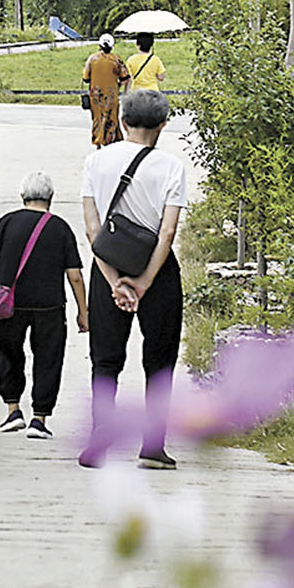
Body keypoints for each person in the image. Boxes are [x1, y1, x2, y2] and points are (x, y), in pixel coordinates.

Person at [79, 89, 187, 469]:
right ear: (163, 125)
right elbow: (167, 233)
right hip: (157, 273)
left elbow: (93, 231)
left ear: (122, 122)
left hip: (106, 267)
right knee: (159, 360)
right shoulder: (171, 167)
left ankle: (100, 437)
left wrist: (114, 283)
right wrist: (143, 283)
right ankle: (153, 446)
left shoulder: (96, 162)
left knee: (105, 360)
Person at [0, 171, 88, 439]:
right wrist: (83, 312)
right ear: (51, 198)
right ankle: (39, 419)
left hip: (8, 306)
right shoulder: (60, 228)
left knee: (8, 353)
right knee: (48, 359)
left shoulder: (7, 222)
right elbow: (74, 275)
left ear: (23, 196)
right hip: (49, 307)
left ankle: (13, 410)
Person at [82, 33, 129, 147]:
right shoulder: (117, 60)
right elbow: (125, 78)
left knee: (97, 118)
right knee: (112, 118)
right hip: (112, 96)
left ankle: (98, 142)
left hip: (96, 96)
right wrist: (117, 86)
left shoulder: (92, 59)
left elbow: (86, 78)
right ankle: (111, 141)